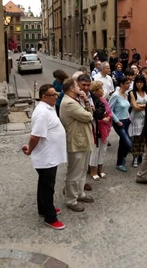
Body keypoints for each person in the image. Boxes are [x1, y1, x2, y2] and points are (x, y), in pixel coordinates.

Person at [21, 84, 67, 230]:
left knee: (43, 185)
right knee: (48, 188)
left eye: (56, 94)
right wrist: (29, 150)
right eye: (53, 95)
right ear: (44, 96)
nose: (56, 96)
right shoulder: (42, 113)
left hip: (50, 155)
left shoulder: (48, 108)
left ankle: (44, 208)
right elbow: (35, 136)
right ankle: (50, 217)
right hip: (47, 157)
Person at [59, 78, 95, 212]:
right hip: (76, 142)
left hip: (82, 140)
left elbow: (89, 113)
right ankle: (71, 200)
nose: (80, 88)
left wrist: (85, 102)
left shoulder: (74, 100)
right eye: (76, 85)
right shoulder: (69, 103)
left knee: (82, 170)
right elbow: (88, 116)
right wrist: (86, 101)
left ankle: (80, 194)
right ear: (71, 88)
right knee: (74, 172)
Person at [89, 81, 113, 181]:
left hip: (105, 128)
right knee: (95, 150)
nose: (103, 90)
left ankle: (100, 168)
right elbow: (92, 115)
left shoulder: (103, 100)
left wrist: (108, 117)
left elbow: (109, 112)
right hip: (96, 128)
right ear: (95, 91)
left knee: (103, 150)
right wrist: (102, 119)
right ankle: (93, 170)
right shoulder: (91, 101)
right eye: (101, 89)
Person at [109, 77, 133, 172]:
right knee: (128, 143)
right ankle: (122, 160)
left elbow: (126, 108)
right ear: (122, 84)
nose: (128, 85)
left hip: (127, 120)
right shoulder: (116, 95)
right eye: (127, 83)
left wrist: (129, 117)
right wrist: (116, 120)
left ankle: (120, 162)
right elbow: (109, 109)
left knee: (123, 142)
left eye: (129, 83)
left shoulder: (126, 94)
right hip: (119, 122)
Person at [129, 75, 147, 168]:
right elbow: (135, 106)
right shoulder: (132, 93)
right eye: (137, 82)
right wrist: (145, 106)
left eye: (141, 82)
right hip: (137, 118)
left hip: (146, 118)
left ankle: (141, 155)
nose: (139, 84)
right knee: (136, 139)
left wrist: (141, 105)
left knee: (144, 139)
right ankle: (135, 157)